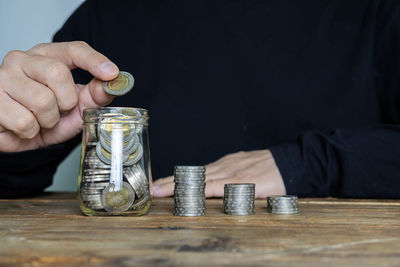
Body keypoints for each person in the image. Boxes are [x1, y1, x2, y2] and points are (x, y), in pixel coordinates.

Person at [0, 0, 399, 199]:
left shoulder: (379, 11)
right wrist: (11, 137)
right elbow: (12, 173)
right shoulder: (110, 13)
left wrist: (306, 164)